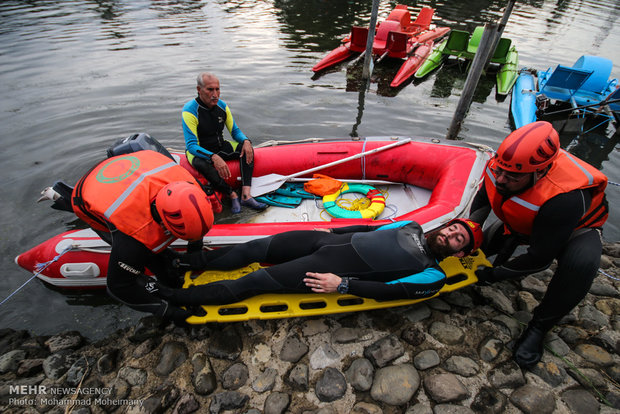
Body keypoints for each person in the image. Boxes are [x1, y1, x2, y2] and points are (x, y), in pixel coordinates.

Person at [470, 121, 609, 369]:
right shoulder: (501, 167)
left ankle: (539, 327)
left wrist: (491, 275)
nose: (500, 179)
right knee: (476, 246)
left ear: (540, 172)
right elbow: (483, 200)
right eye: (499, 170)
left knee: (581, 265)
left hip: (574, 231)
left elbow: (539, 258)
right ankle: (499, 246)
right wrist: (469, 232)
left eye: (511, 176)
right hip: (521, 221)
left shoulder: (565, 197)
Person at [45, 149, 215, 324]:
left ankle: (167, 275)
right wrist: (165, 310)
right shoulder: (134, 232)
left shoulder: (191, 186)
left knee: (155, 253)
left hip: (132, 169)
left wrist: (192, 260)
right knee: (144, 254)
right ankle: (62, 197)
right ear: (164, 224)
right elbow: (118, 287)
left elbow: (195, 229)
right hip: (90, 191)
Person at [153, 218, 483, 307]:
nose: (450, 235)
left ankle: (168, 295)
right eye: (452, 228)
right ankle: (181, 265)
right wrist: (332, 230)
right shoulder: (412, 227)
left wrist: (342, 285)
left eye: (458, 239)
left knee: (250, 284)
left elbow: (389, 292)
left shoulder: (432, 274)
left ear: (459, 253)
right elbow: (370, 228)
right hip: (324, 240)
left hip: (327, 272)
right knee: (254, 248)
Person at [182, 72, 266, 214]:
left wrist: (246, 141)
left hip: (219, 145)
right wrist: (213, 157)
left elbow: (235, 131)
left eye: (218, 89)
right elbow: (191, 145)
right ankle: (231, 194)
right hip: (199, 151)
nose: (215, 94)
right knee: (203, 164)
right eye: (210, 90)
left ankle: (246, 194)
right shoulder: (189, 110)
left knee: (247, 150)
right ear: (199, 90)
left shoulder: (222, 106)